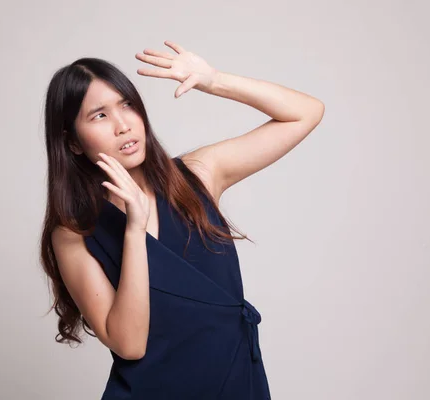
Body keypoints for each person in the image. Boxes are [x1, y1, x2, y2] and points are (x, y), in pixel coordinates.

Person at [40, 40, 324, 399]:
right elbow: (128, 344)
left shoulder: (196, 175)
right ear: (73, 143)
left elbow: (306, 112)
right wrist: (133, 231)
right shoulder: (74, 233)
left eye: (127, 105)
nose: (123, 125)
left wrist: (213, 80)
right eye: (99, 115)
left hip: (237, 384)